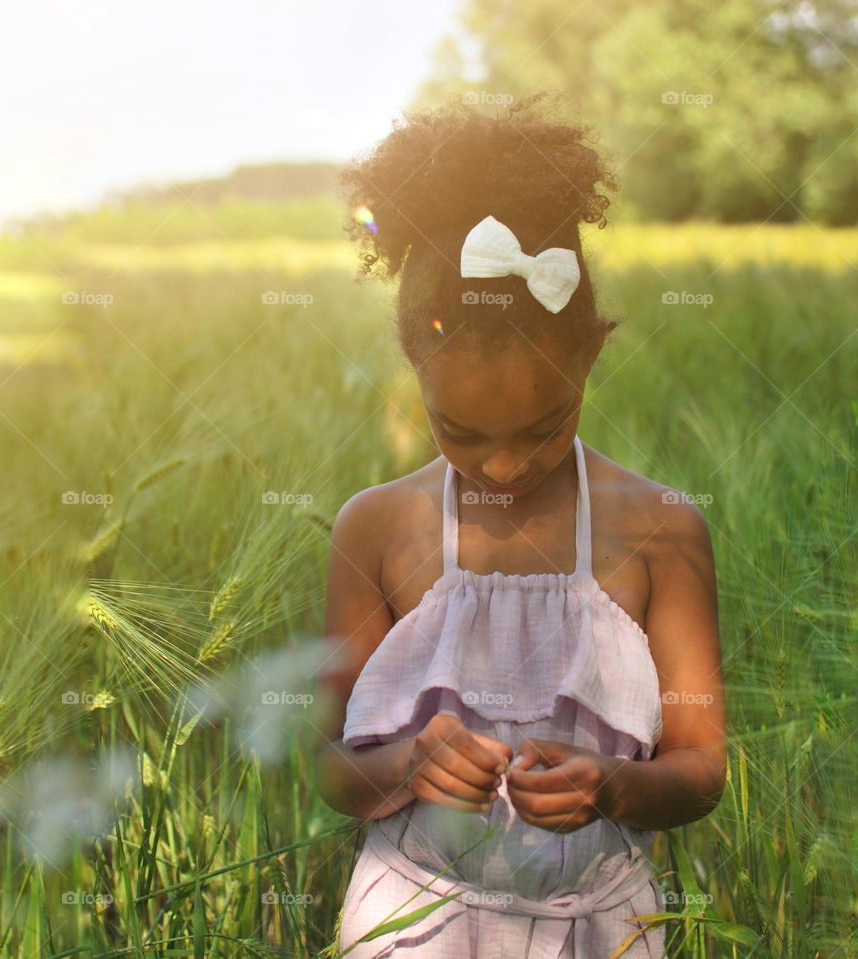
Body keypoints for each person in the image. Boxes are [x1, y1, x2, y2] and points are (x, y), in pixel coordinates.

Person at [314, 91, 727, 958]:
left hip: (597, 925)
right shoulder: (374, 529)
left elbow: (700, 767)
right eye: (461, 432)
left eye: (543, 429)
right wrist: (406, 767)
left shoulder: (661, 530)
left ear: (592, 354)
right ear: (413, 370)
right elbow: (330, 766)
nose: (503, 466)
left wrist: (615, 784)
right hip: (414, 918)